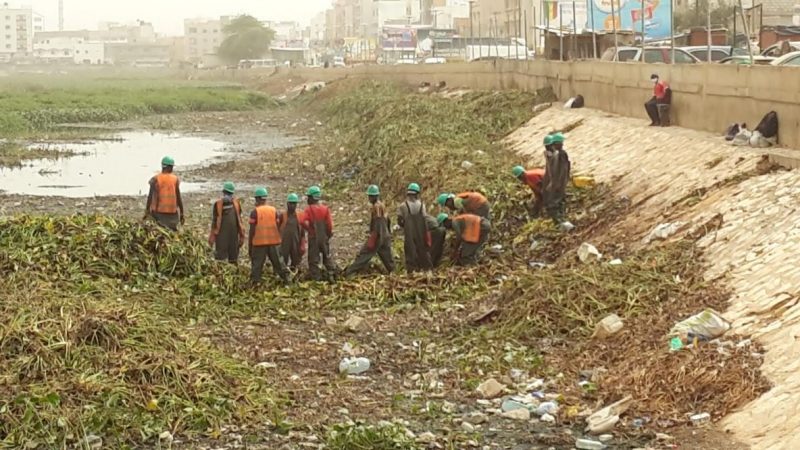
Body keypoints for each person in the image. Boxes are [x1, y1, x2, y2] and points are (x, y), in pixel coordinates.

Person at [344, 185, 394, 276]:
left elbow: (377, 224)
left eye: (370, 196)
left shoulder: (376, 207)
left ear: (374, 196)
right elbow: (388, 221)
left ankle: (350, 271)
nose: (369, 198)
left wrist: (374, 236)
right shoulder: (382, 205)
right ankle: (393, 272)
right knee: (387, 256)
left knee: (365, 254)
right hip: (385, 235)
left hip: (378, 236)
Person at [248, 187, 289, 284]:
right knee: (279, 263)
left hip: (259, 243)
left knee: (257, 266)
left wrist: (250, 245)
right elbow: (278, 224)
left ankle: (255, 283)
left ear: (257, 199)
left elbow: (252, 230)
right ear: (265, 199)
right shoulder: (273, 210)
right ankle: (287, 280)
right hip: (274, 242)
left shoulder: (255, 212)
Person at [303, 185, 338, 281]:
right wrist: (329, 234)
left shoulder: (308, 209)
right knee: (326, 255)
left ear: (311, 197)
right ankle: (332, 274)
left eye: (308, 197)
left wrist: (309, 229)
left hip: (314, 237)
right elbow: (329, 224)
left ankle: (316, 278)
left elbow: (304, 221)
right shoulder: (325, 209)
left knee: (313, 259)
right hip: (324, 237)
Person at [397, 182, 432, 272]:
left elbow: (400, 221)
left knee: (410, 249)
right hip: (421, 232)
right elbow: (425, 219)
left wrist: (405, 226)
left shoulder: (403, 206)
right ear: (417, 194)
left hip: (410, 233)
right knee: (423, 249)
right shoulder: (422, 205)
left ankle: (412, 270)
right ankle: (427, 269)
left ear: (408, 193)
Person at [144, 156, 185, 230]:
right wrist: (182, 213)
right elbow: (178, 197)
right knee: (172, 232)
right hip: (173, 214)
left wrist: (147, 211)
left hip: (158, 214)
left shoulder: (155, 179)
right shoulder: (175, 179)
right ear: (169, 167)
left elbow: (150, 196)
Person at [208, 181, 245, 263]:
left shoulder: (236, 203)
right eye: (227, 193)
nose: (228, 195)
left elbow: (239, 219)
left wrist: (242, 235)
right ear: (224, 193)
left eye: (229, 193)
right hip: (221, 234)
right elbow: (214, 221)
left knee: (233, 257)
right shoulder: (218, 204)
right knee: (220, 258)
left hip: (233, 234)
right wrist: (212, 238)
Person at [542, 132, 572, 229]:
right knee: (556, 202)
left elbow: (559, 170)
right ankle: (560, 221)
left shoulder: (558, 155)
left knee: (556, 202)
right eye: (561, 142)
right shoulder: (557, 155)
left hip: (557, 182)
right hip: (558, 182)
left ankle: (560, 221)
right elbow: (558, 170)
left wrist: (555, 182)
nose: (562, 144)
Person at [280, 193, 306, 272]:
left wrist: (302, 243)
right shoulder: (282, 215)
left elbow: (303, 230)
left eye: (294, 203)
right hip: (284, 242)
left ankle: (294, 274)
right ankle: (284, 275)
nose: (292, 205)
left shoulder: (300, 215)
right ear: (287, 204)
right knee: (283, 260)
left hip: (296, 241)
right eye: (290, 203)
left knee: (296, 260)